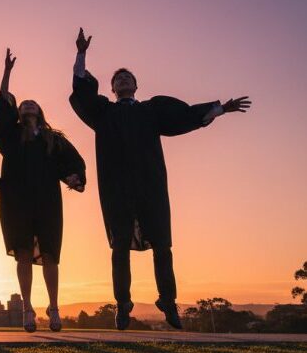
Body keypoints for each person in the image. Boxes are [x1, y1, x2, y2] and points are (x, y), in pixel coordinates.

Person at [69, 28, 251, 330]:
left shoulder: (152, 110)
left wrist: (220, 109)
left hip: (151, 184)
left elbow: (185, 116)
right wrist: (81, 53)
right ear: (113, 88)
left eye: (128, 77)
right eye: (118, 79)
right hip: (117, 187)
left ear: (136, 85)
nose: (123, 80)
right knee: (119, 247)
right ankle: (123, 303)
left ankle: (168, 301)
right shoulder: (102, 113)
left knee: (163, 246)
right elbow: (82, 93)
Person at [0, 48, 86, 332]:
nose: (27, 106)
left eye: (32, 104)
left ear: (40, 112)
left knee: (50, 255)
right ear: (19, 113)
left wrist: (73, 178)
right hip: (16, 201)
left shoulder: (52, 138)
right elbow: (2, 106)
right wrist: (6, 73)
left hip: (47, 200)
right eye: (24, 105)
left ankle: (54, 307)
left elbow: (71, 163)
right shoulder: (10, 137)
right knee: (22, 253)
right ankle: (27, 309)